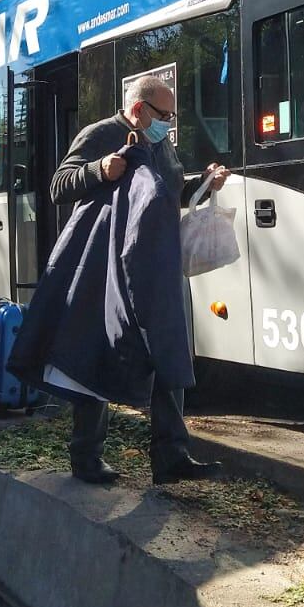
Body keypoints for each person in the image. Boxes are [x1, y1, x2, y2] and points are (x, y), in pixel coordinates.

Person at [47, 74, 229, 486]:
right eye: (164, 114)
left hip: (159, 264)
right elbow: (59, 185)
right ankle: (86, 456)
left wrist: (202, 183)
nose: (169, 122)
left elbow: (167, 191)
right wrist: (99, 169)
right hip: (109, 264)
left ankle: (172, 456)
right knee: (100, 353)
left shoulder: (160, 141)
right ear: (137, 110)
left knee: (169, 352)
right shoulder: (100, 135)